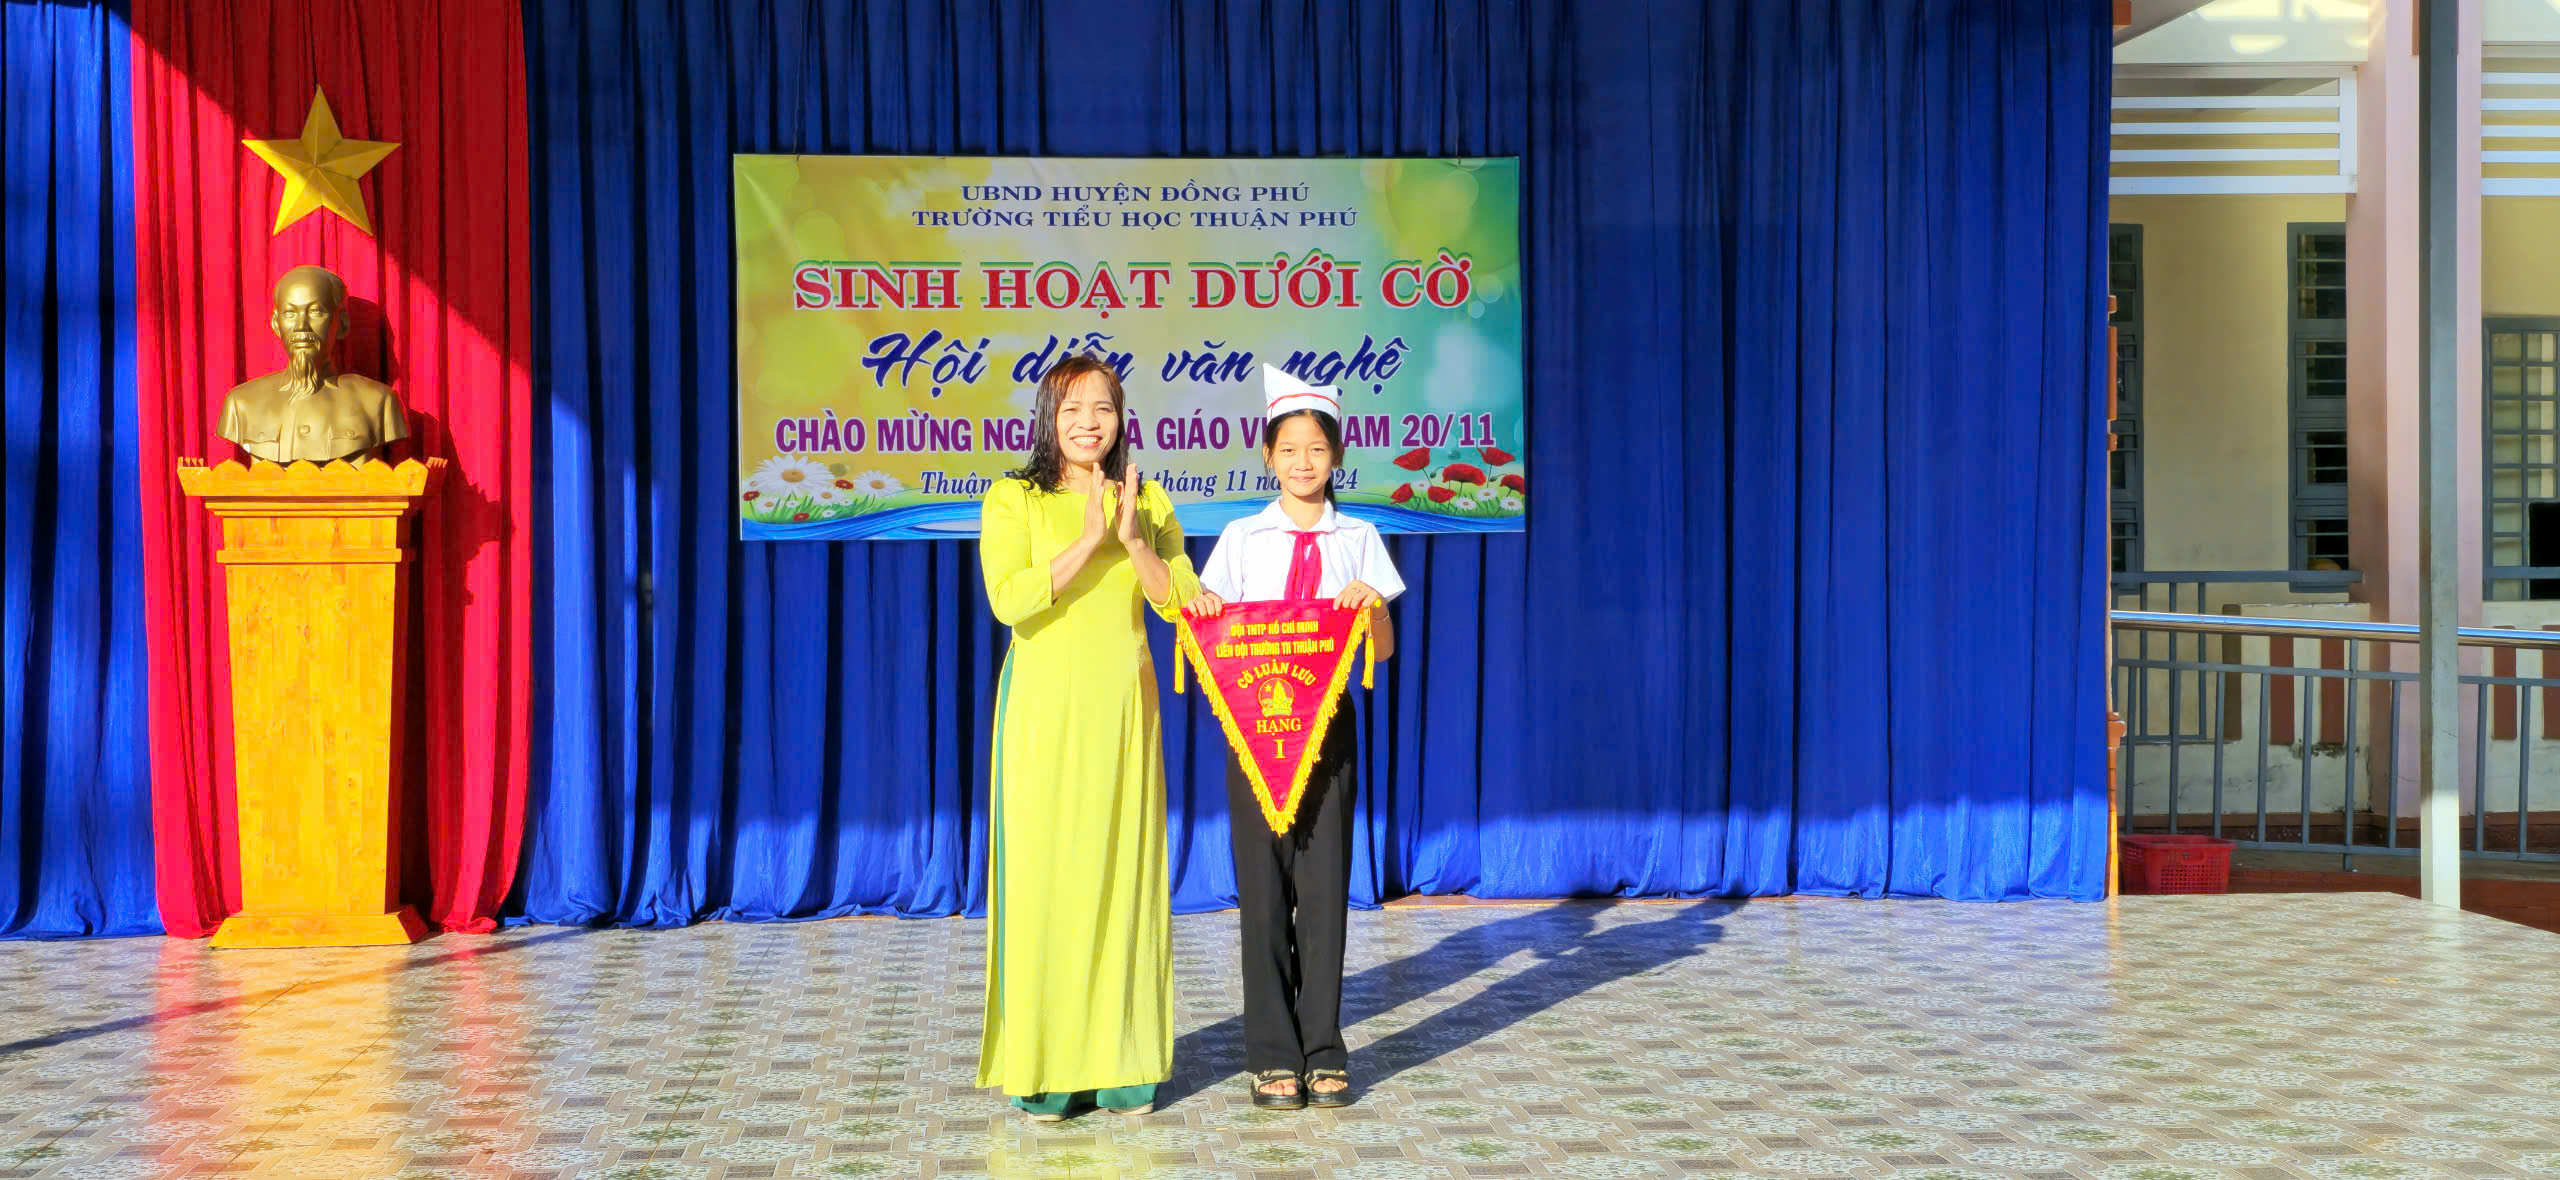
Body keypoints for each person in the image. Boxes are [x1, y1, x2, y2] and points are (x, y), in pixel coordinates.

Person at [976, 354, 1199, 1122]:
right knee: (1047, 882)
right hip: (1042, 712)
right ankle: (1046, 1070)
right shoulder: (1013, 498)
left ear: (1121, 417)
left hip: (1124, 712)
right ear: (1049, 417)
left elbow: (1181, 605)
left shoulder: (1150, 499)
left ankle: (1123, 1066)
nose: (1088, 422)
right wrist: (1088, 538)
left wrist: (1131, 539)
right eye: (1072, 408)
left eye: (1102, 407)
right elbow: (1011, 600)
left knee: (1123, 877)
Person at [1185, 366, 1403, 1109]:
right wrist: (1204, 609)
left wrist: (1373, 608)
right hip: (1254, 732)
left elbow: (1382, 652)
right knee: (1262, 894)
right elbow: (1210, 635)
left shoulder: (1359, 537)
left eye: (1316, 448)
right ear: (1267, 457)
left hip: (1328, 732)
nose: (1303, 462)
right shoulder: (1242, 538)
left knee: (1324, 891)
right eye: (1288, 449)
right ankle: (1272, 1054)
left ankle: (1324, 1050)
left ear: (1336, 456)